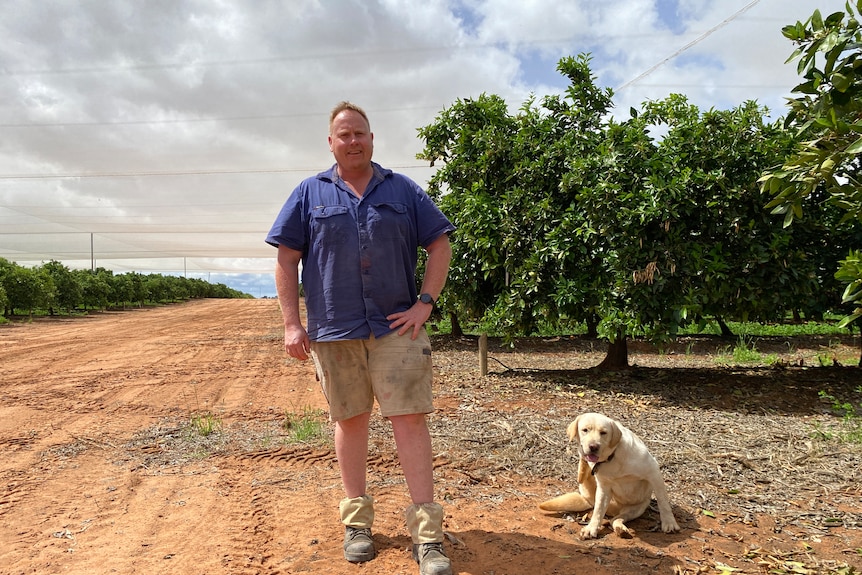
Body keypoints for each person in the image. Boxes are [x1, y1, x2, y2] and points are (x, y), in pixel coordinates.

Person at [265, 101, 455, 575]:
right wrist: (293, 323)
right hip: (334, 329)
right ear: (331, 143)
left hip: (397, 327)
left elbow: (440, 243)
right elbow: (286, 260)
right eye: (343, 134)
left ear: (372, 139)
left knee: (409, 421)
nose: (353, 141)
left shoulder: (403, 189)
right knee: (350, 422)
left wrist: (425, 302)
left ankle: (427, 536)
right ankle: (357, 525)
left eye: (360, 133)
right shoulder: (309, 193)